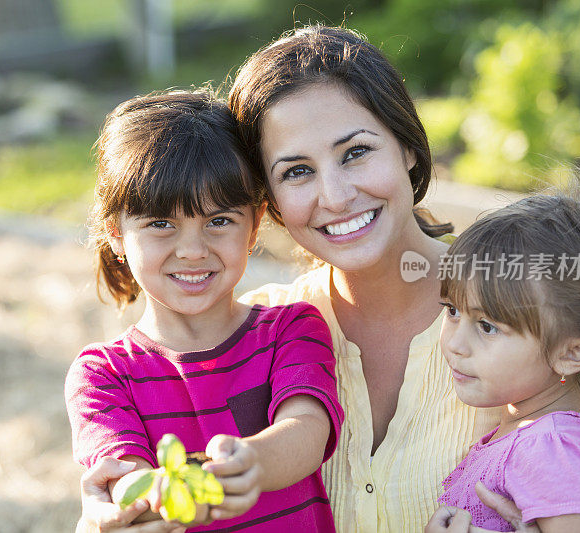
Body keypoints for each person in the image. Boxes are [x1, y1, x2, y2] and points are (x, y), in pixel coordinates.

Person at [77, 25, 534, 532]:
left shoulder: (533, 305)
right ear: (266, 201)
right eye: (296, 171)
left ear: (407, 146)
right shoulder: (260, 327)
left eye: (356, 152)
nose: (335, 197)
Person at [66, 88, 344, 532]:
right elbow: (123, 474)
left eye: (219, 221)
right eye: (161, 224)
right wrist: (155, 494)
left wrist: (249, 461)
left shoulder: (292, 329)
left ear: (253, 226)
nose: (192, 251)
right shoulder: (102, 374)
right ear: (116, 233)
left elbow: (306, 431)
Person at [425, 194, 580, 532]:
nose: (455, 344)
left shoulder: (551, 449)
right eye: (452, 310)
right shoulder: (540, 431)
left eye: (487, 326)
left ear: (571, 354)